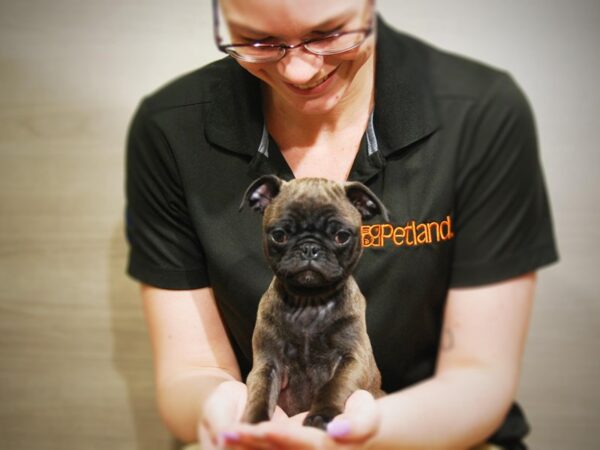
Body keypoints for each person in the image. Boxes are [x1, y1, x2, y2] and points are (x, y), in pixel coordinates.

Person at [124, 0, 559, 448]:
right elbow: (192, 371)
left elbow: (478, 375)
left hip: (436, 432)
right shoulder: (171, 128)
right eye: (258, 40)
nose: (297, 70)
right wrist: (224, 412)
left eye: (328, 34)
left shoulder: (480, 112)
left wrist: (361, 432)